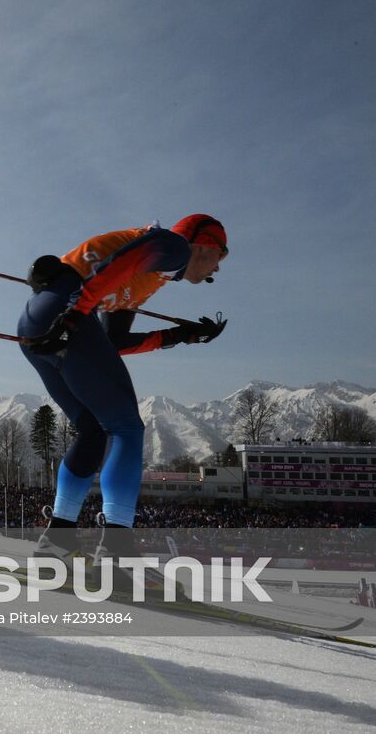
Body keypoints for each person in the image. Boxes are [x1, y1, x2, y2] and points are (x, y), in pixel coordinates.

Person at [20, 215, 227, 558]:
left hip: (36, 322)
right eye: (221, 254)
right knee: (127, 428)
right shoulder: (174, 246)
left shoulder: (151, 278)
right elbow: (129, 258)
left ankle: (57, 541)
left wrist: (180, 336)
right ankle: (117, 554)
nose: (218, 268)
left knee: (92, 430)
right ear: (203, 243)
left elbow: (112, 342)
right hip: (67, 315)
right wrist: (76, 314)